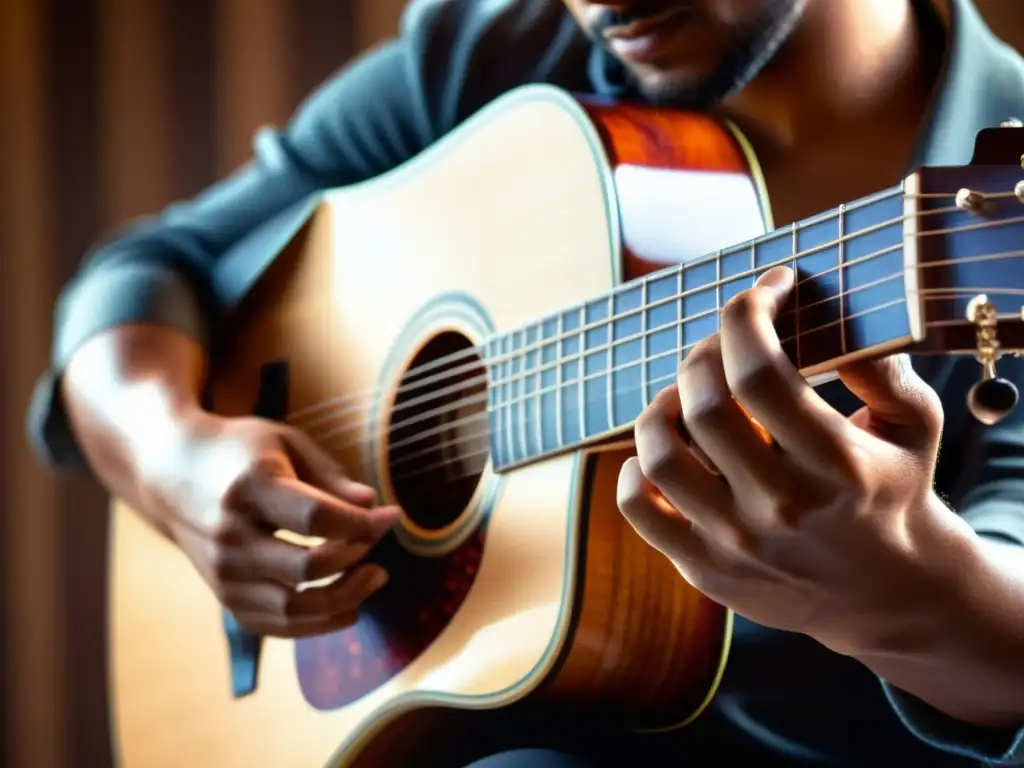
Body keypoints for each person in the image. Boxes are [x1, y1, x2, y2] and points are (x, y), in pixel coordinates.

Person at [26, 0, 1024, 765]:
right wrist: (170, 460)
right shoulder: (499, 53)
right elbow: (155, 267)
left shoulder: (997, 214)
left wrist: (915, 601)